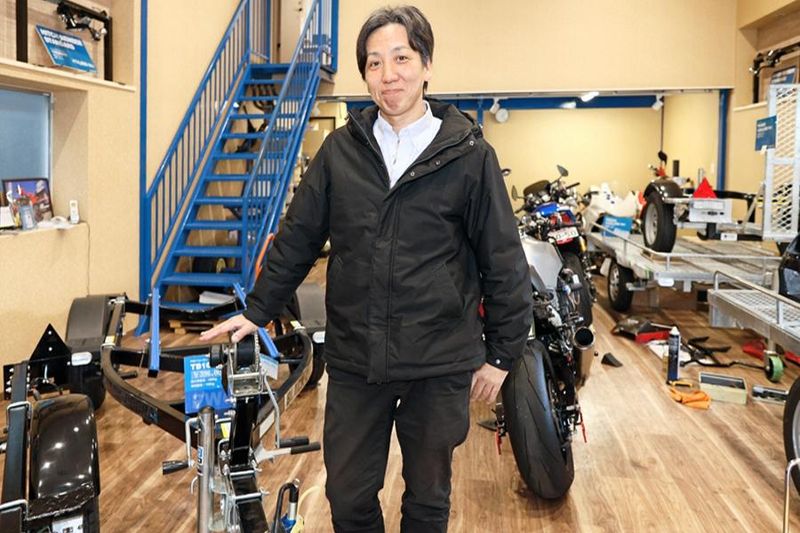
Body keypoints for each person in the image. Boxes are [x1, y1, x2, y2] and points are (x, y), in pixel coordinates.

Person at [200, 5, 532, 532]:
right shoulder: (341, 152)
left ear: (426, 65)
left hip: (438, 360)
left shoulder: (469, 155)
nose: (388, 74)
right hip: (357, 358)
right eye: (374, 63)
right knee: (347, 495)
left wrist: (502, 353)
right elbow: (298, 237)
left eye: (401, 58)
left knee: (428, 500)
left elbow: (503, 259)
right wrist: (258, 310)